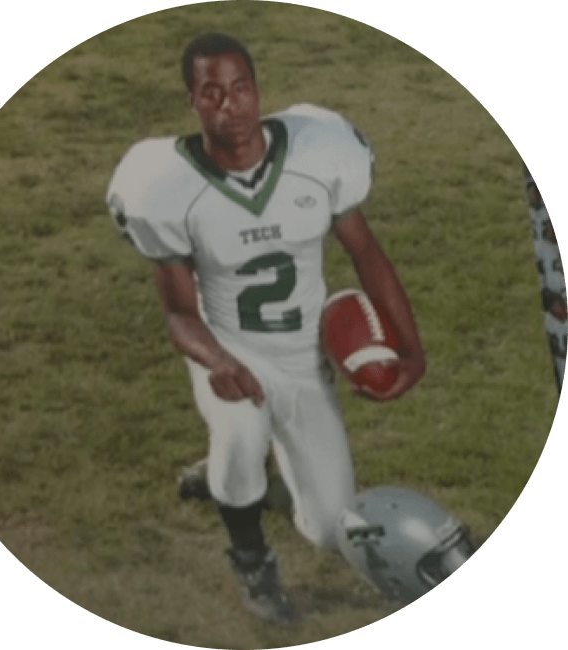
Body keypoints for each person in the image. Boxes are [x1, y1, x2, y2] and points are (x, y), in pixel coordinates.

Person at [106, 32, 426, 623]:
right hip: (227, 344)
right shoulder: (165, 185)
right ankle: (251, 556)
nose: (230, 104)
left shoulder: (318, 151)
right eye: (212, 92)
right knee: (239, 435)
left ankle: (244, 478)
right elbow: (179, 313)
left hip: (305, 352)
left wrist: (412, 348)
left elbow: (367, 254)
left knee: (329, 527)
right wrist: (218, 361)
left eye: (241, 88)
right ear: (193, 100)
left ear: (257, 90)